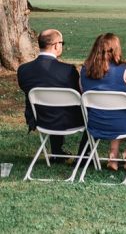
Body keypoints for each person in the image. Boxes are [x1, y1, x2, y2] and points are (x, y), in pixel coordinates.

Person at [17, 29, 84, 160]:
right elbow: (78, 94)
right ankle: (84, 156)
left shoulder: (23, 70)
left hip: (40, 118)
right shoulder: (68, 71)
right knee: (90, 114)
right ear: (56, 45)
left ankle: (57, 152)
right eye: (62, 43)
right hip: (68, 120)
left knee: (53, 105)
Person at [80, 33, 126, 171]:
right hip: (122, 124)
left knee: (115, 110)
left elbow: (84, 94)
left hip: (95, 122)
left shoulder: (84, 70)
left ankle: (113, 156)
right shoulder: (124, 70)